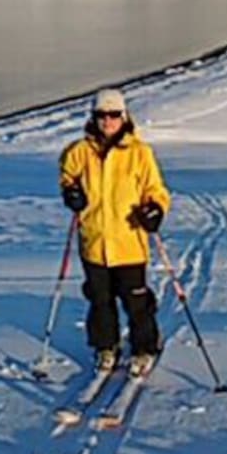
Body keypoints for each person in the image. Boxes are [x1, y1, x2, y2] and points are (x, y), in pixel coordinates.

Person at [59, 88, 171, 377]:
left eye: (113, 115)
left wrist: (155, 209)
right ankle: (105, 347)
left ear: (124, 117)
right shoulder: (79, 152)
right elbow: (67, 176)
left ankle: (145, 347)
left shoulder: (139, 153)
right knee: (100, 300)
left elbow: (155, 190)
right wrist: (71, 193)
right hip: (94, 243)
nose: (107, 121)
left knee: (136, 301)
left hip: (129, 243)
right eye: (101, 115)